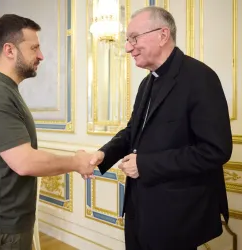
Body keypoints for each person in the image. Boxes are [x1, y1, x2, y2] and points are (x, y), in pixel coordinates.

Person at [88, 6, 233, 250]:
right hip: (139, 209)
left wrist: (144, 164)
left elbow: (215, 150)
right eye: (127, 39)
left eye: (134, 38)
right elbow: (132, 131)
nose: (127, 47)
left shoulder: (200, 78)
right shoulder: (146, 83)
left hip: (177, 217)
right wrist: (103, 154)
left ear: (163, 35)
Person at [0, 14, 95, 250]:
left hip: (4, 222)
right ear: (9, 50)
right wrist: (77, 162)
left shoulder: (3, 90)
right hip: (1, 227)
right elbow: (25, 162)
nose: (41, 55)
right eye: (34, 47)